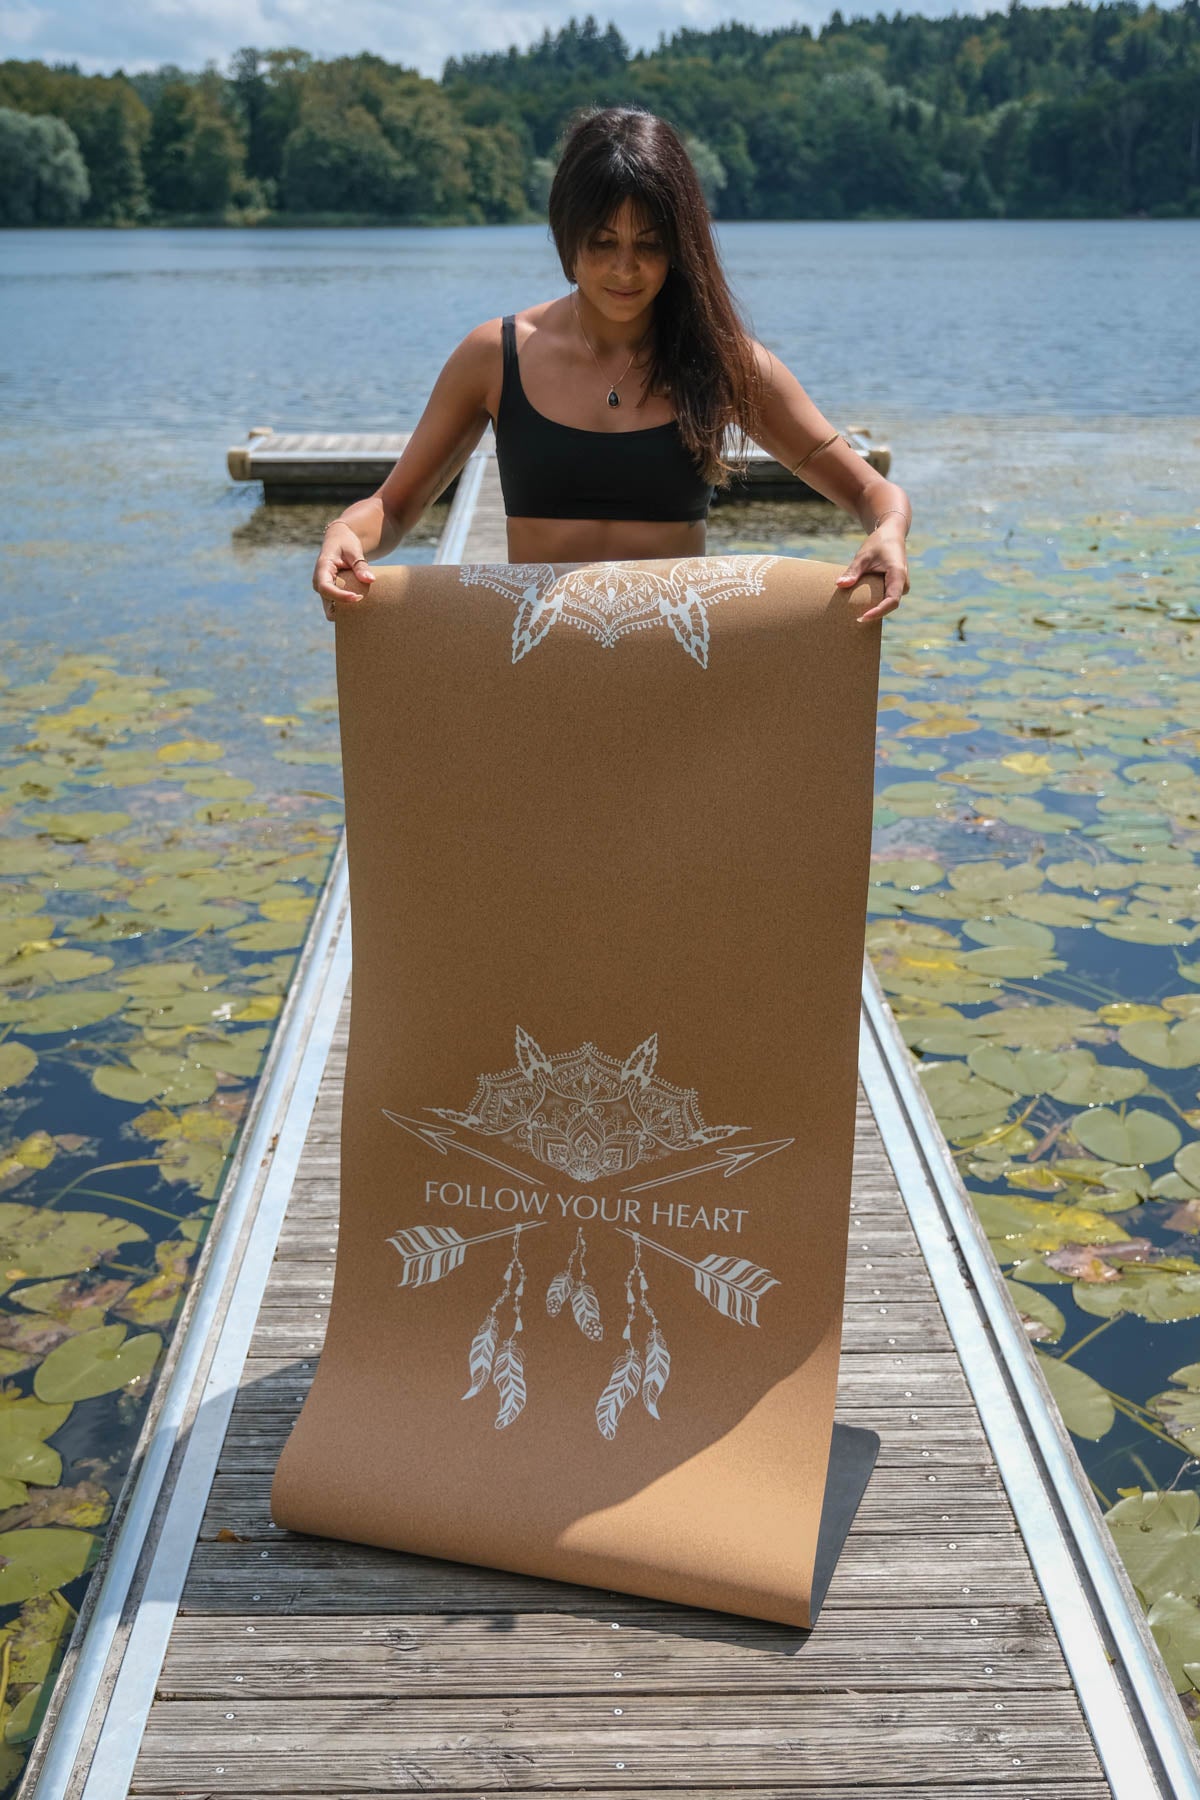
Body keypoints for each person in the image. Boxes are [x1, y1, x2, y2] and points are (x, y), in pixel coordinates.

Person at [312, 105, 911, 624]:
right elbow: (392, 509)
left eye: (648, 245)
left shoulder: (723, 362)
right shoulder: (494, 357)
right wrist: (346, 531)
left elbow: (872, 492)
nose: (626, 270)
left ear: (678, 247)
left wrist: (888, 531)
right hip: (540, 660)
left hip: (676, 666)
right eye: (603, 243)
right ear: (566, 237)